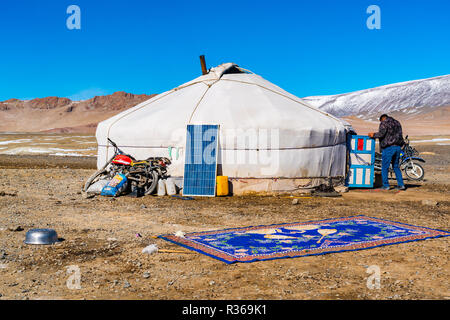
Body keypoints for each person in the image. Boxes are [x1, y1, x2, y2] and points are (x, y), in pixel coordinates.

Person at [368, 114, 406, 191]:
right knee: (396, 166)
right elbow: (400, 135)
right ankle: (401, 185)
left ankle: (386, 185)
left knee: (385, 167)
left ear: (382, 118)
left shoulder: (384, 122)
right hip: (398, 147)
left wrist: (373, 135)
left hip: (388, 147)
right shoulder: (397, 123)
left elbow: (382, 133)